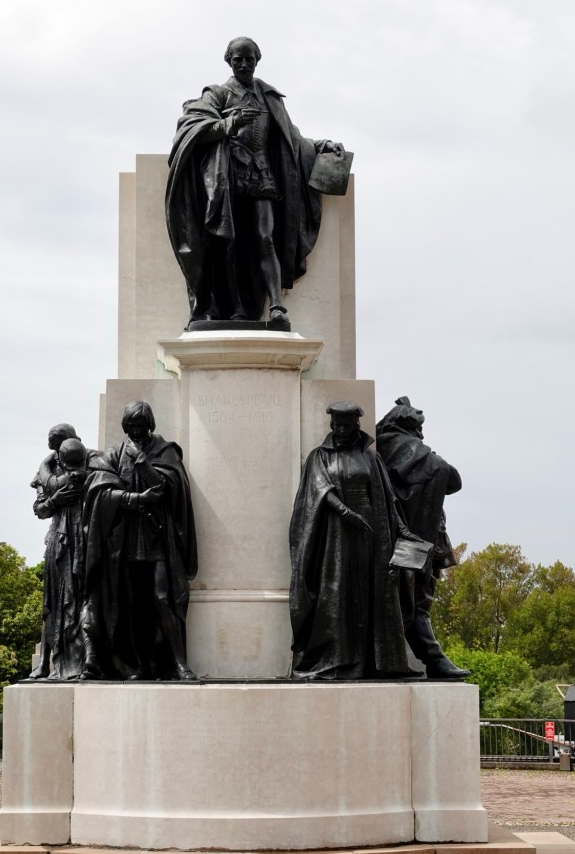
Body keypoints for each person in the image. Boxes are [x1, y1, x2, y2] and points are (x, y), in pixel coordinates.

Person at [166, 36, 344, 327]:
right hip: (228, 177)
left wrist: (321, 145)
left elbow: (292, 138)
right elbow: (192, 127)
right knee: (229, 243)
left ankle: (276, 307)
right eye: (238, 59)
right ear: (229, 62)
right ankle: (236, 308)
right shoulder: (218, 94)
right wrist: (230, 123)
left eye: (249, 59)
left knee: (264, 237)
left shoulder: (268, 97)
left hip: (262, 174)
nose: (244, 64)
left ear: (257, 60)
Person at [289, 401, 418, 680]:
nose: (341, 430)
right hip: (337, 532)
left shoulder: (370, 457)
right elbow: (321, 490)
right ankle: (338, 658)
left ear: (356, 426)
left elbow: (387, 498)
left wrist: (401, 529)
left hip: (371, 531)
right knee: (338, 592)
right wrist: (347, 514)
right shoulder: (319, 456)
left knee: (372, 590)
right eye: (337, 426)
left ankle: (371, 660)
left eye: (346, 426)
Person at [81, 401, 197, 681]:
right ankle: (140, 664)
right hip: (124, 539)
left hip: (156, 536)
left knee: (162, 597)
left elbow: (168, 486)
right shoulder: (113, 455)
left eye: (141, 426)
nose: (136, 431)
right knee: (130, 604)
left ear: (150, 425)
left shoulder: (164, 450)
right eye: (131, 426)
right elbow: (98, 492)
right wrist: (134, 499)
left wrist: (143, 463)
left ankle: (178, 663)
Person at [376, 396, 470, 681]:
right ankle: (434, 659)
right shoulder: (416, 452)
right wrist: (429, 456)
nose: (423, 436)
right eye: (420, 429)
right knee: (416, 601)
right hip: (413, 542)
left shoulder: (381, 450)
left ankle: (425, 659)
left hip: (397, 540)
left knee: (408, 600)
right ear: (411, 427)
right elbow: (452, 478)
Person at [29, 436, 89, 680]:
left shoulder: (88, 463)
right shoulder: (47, 472)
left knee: (80, 598)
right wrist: (55, 500)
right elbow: (40, 510)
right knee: (51, 602)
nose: (57, 450)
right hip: (58, 539)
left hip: (83, 538)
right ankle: (44, 663)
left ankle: (82, 661)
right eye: (55, 445)